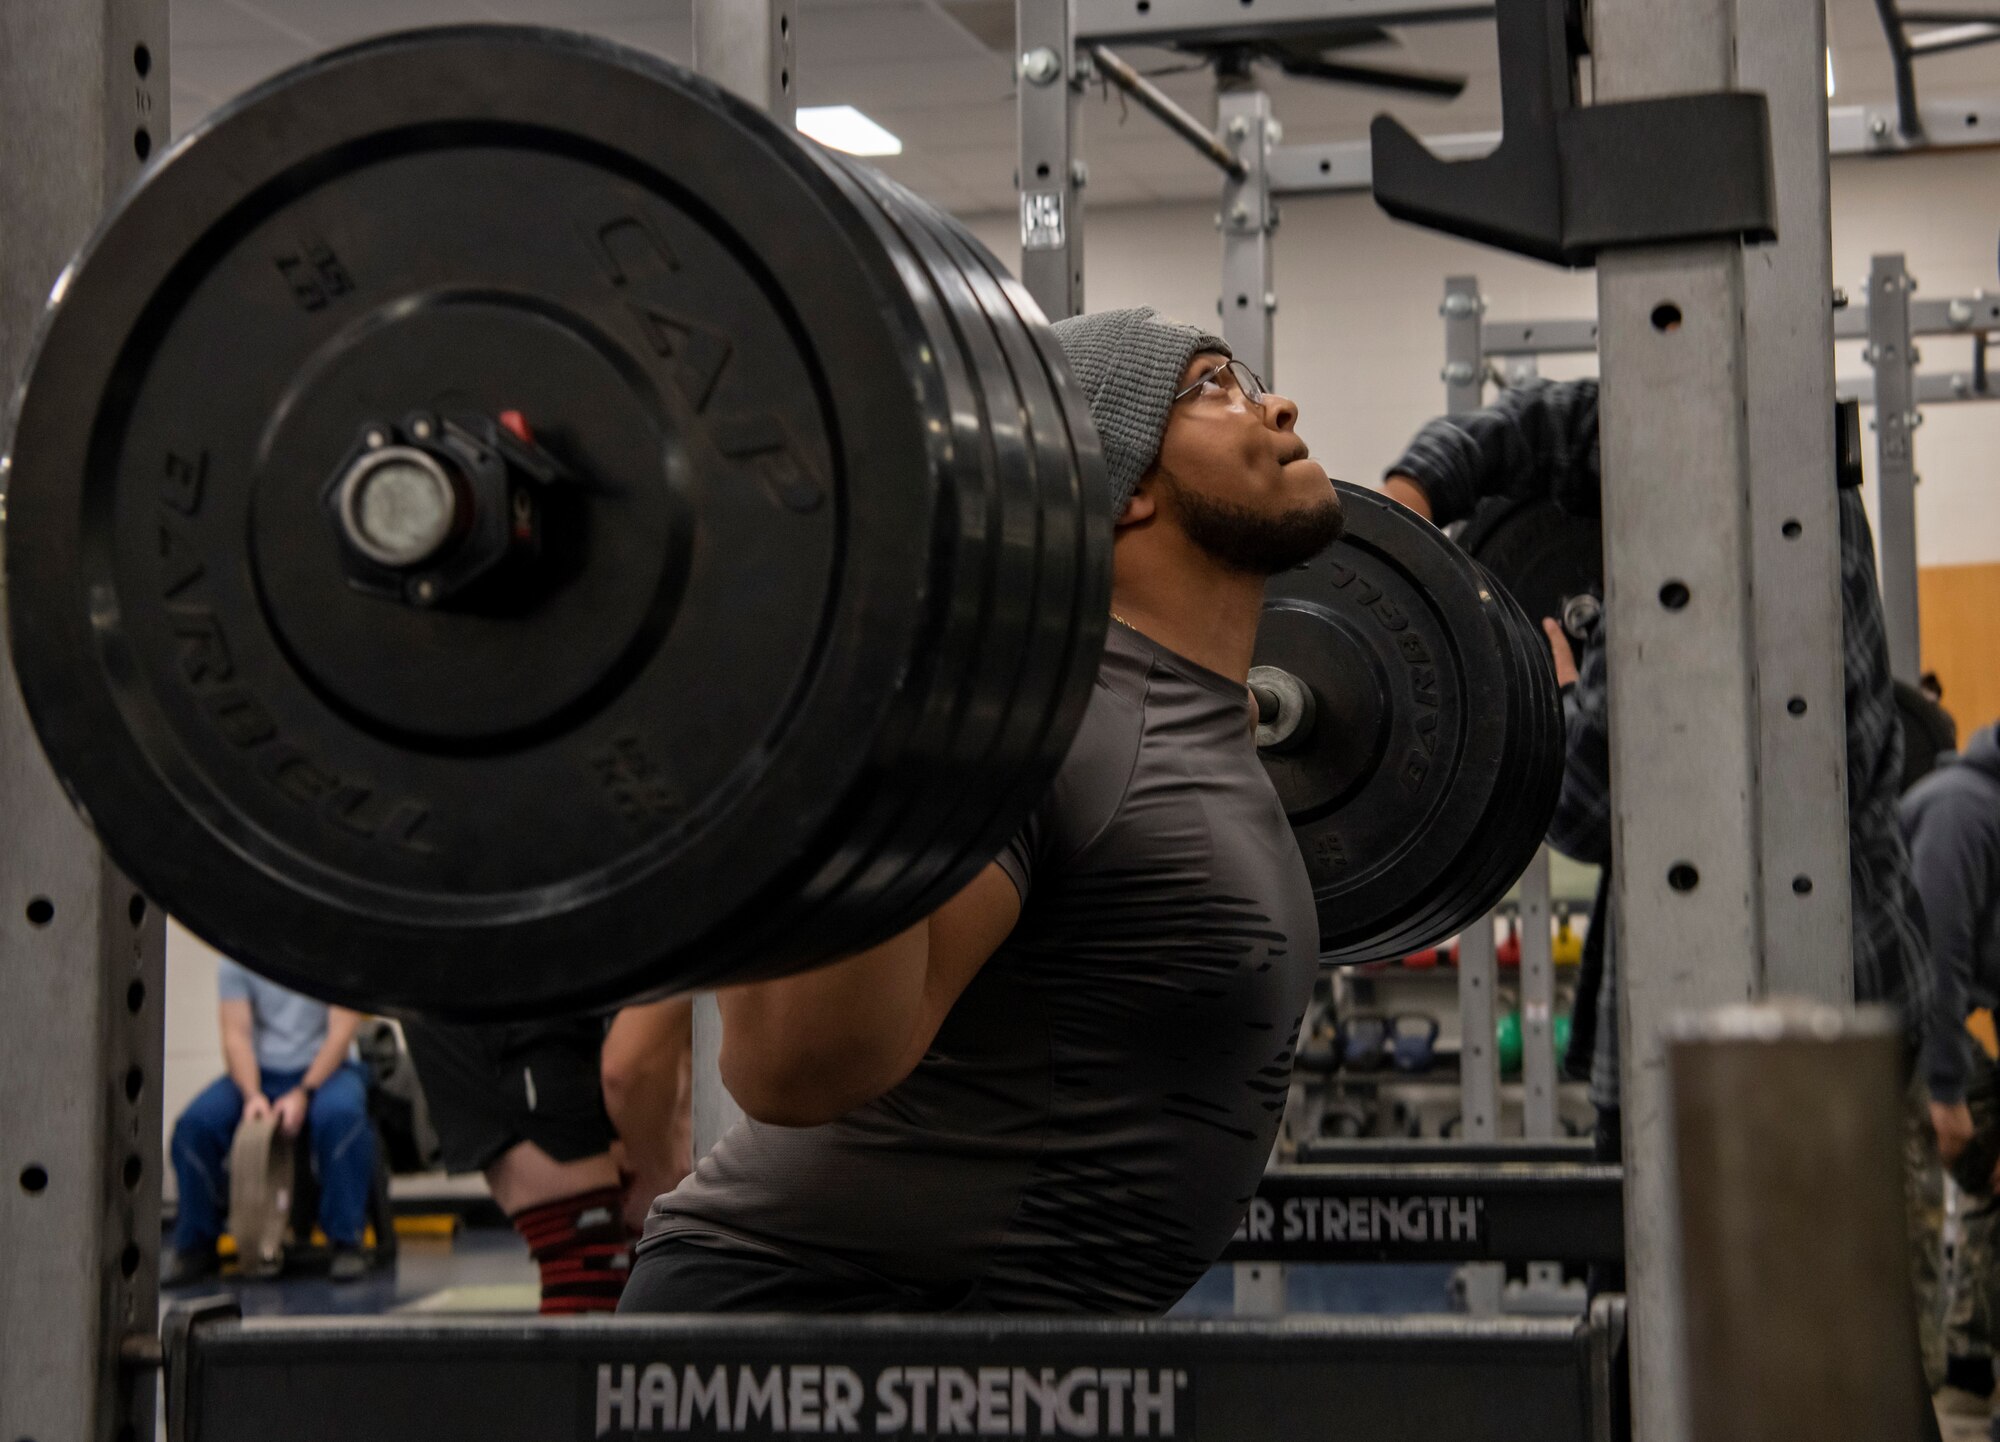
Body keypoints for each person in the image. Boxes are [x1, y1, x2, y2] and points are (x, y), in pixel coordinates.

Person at [619, 306, 1339, 1314]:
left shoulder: (1190, 718)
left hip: (1011, 1342)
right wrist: (868, 689)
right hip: (821, 1342)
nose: (1275, 404)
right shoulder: (1041, 728)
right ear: (1119, 483)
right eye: (1213, 384)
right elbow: (793, 1066)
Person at [1381, 377, 1942, 1375]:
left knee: (1754, 1375)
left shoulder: (1722, 551)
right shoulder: (1777, 446)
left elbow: (1589, 804)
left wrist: (1557, 678)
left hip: (1775, 1040)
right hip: (1801, 1017)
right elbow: (1576, 420)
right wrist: (1419, 485)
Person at [402, 998, 693, 1314]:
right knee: (590, 1258)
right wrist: (655, 1171)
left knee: (631, 1251)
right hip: (492, 995)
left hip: (558, 995)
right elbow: (625, 1071)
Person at [1902, 727, 2000, 1426]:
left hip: (1935, 1032)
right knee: (1921, 1211)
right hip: (1895, 1033)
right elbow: (1938, 962)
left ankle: (1971, 1364)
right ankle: (1930, 1384)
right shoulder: (1962, 811)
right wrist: (1944, 1095)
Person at [166, 960, 375, 1285]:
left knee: (341, 1116)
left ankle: (347, 1241)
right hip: (261, 1075)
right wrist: (252, 1095)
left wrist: (304, 1092)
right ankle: (196, 1246)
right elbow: (236, 1036)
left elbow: (341, 1033)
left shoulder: (336, 948)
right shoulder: (236, 957)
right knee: (195, 1127)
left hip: (328, 1071)